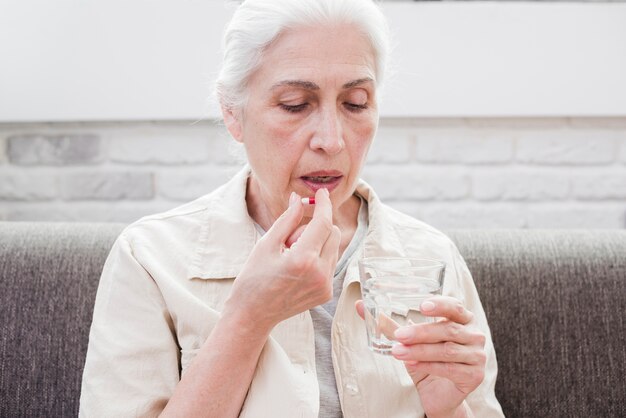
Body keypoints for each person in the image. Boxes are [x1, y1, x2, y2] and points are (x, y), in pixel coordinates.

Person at [80, 0, 504, 417]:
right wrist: (248, 319)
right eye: (295, 105)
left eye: (355, 102)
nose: (332, 140)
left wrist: (450, 410)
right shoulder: (150, 257)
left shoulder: (431, 257)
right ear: (233, 114)